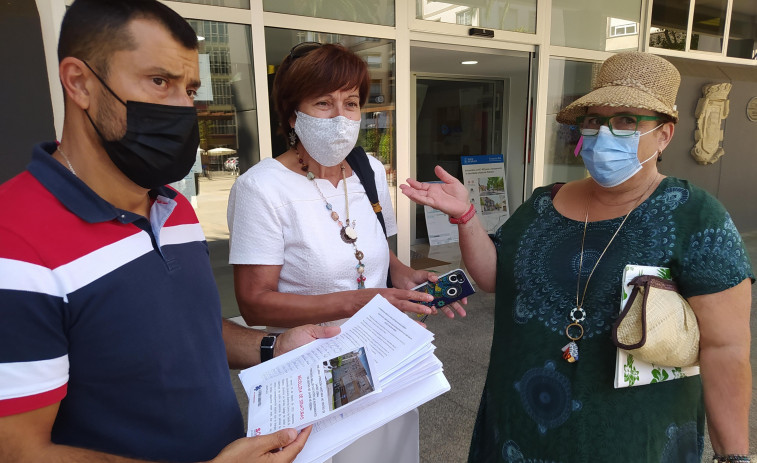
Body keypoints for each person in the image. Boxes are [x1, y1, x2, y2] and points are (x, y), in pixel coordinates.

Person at [0, 1, 340, 462]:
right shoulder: (14, 241)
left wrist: (275, 345)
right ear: (79, 82)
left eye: (191, 88)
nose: (184, 107)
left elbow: (190, 332)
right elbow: (20, 450)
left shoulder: (173, 206)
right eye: (160, 82)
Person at [401, 51, 754, 462]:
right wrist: (465, 216)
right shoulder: (542, 204)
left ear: (664, 134)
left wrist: (734, 456)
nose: (605, 134)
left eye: (625, 120)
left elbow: (724, 348)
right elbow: (493, 276)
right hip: (521, 419)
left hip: (632, 435)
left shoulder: (694, 215)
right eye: (594, 120)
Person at [227, 42, 466, 463]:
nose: (341, 118)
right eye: (323, 103)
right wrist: (362, 300)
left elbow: (375, 252)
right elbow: (253, 303)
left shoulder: (369, 170)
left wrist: (403, 275)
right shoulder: (261, 188)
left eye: (351, 103)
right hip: (311, 369)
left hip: (383, 358)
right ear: (291, 115)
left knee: (390, 451)